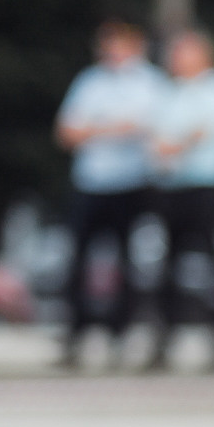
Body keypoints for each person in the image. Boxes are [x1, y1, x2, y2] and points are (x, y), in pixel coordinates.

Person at [52, 21, 166, 369]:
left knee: (126, 263)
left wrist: (94, 130)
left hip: (131, 183)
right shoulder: (89, 81)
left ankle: (121, 334)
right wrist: (115, 128)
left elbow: (147, 128)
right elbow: (66, 133)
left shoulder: (150, 83)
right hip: (91, 182)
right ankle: (75, 335)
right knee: (77, 260)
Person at [145, 27, 214, 372]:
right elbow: (154, 135)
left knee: (213, 263)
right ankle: (164, 338)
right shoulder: (170, 92)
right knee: (167, 266)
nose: (174, 58)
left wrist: (173, 146)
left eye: (182, 52)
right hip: (173, 187)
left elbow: (206, 131)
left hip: (208, 186)